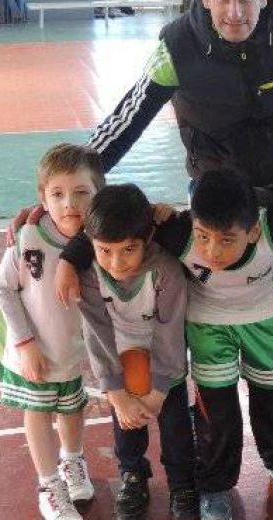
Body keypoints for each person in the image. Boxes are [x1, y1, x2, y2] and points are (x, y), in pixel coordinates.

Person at [19, 0, 273, 446]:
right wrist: (68, 191)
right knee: (207, 305)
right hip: (217, 199)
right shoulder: (176, 46)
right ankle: (209, 410)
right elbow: (128, 119)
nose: (235, 12)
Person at [58, 139, 273, 520]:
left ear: (253, 231)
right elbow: (112, 223)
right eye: (204, 237)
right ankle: (214, 484)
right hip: (209, 325)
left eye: (227, 240)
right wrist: (69, 258)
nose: (212, 251)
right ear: (194, 223)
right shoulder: (177, 231)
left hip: (265, 320)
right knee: (216, 413)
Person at [0, 144, 104, 520]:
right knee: (38, 413)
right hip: (34, 348)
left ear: (98, 194)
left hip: (69, 348)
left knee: (73, 407)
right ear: (42, 197)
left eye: (81, 193)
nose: (69, 203)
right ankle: (48, 484)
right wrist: (24, 344)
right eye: (57, 194)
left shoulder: (101, 240)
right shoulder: (27, 237)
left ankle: (72, 462)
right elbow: (4, 290)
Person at [74, 184, 197, 520]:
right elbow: (96, 334)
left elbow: (170, 331)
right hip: (120, 351)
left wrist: (159, 391)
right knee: (126, 421)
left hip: (164, 354)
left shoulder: (166, 271)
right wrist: (116, 393)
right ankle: (132, 474)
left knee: (174, 423)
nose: (116, 263)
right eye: (105, 250)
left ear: (147, 238)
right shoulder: (88, 275)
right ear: (90, 240)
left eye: (128, 250)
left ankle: (182, 482)